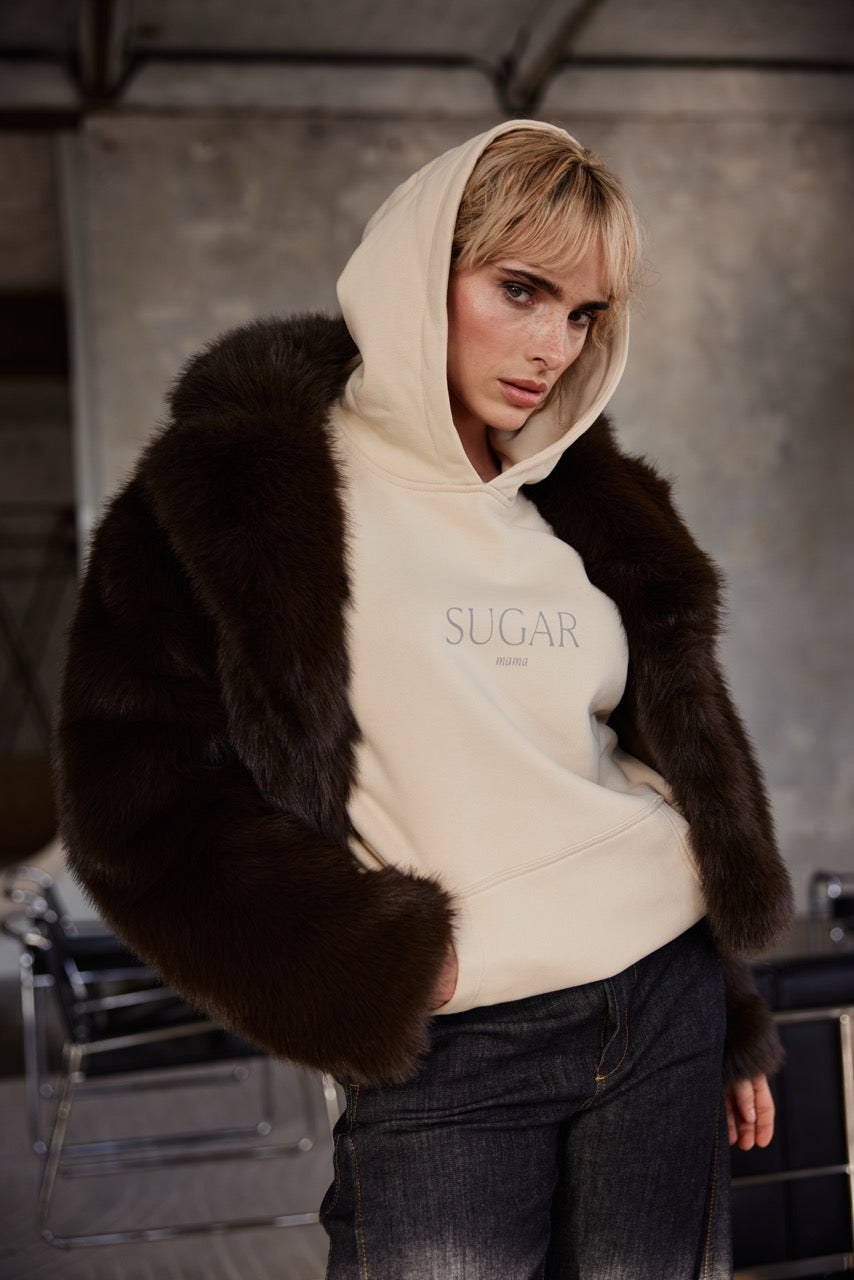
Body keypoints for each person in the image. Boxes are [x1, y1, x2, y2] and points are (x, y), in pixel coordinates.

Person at [55, 120, 793, 1277]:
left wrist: (730, 1005)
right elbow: (132, 804)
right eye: (520, 289)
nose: (551, 345)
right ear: (419, 266)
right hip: (456, 1044)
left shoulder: (585, 502)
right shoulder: (238, 487)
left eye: (583, 313)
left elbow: (643, 761)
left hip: (663, 1000)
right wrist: (347, 958)